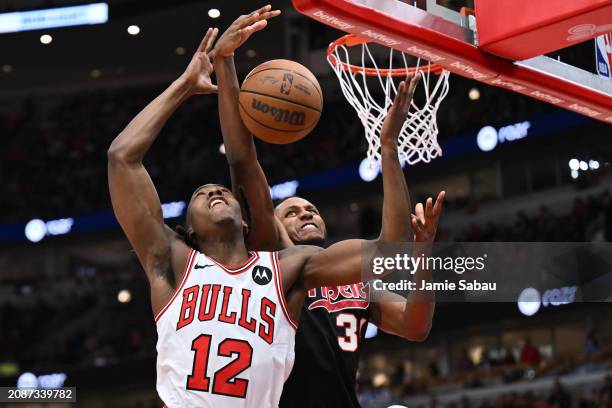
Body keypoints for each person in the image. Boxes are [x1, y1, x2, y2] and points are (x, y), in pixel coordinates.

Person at [107, 12, 413, 408]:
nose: (216, 191)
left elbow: (392, 249)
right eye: (203, 194)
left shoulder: (288, 269)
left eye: (222, 191)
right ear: (192, 232)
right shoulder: (174, 264)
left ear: (247, 216)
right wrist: (185, 84)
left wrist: (388, 151)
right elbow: (122, 159)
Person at [212, 6, 443, 407]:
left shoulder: (350, 279)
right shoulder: (276, 260)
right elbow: (242, 161)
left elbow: (414, 325)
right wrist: (224, 61)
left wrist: (389, 150)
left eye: (311, 210)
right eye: (293, 211)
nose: (307, 213)